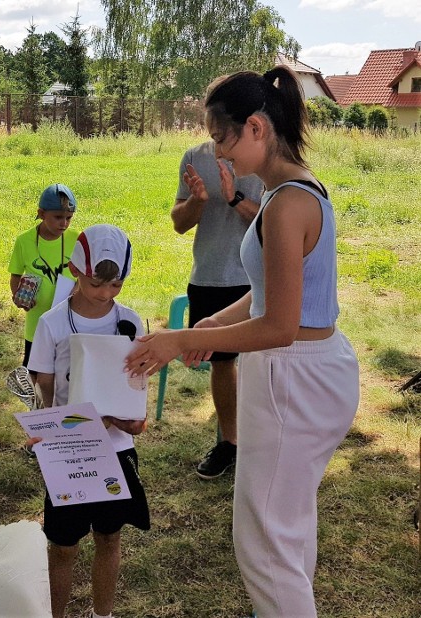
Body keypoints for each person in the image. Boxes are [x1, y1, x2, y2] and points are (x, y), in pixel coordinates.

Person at [125, 66, 359, 617]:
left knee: (264, 541)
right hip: (300, 369)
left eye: (221, 137)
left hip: (292, 373)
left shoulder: (286, 205)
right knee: (287, 521)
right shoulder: (288, 192)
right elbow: (264, 295)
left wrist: (178, 340)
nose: (218, 153)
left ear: (255, 128)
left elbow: (279, 325)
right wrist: (206, 328)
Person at [28, 224, 150, 618]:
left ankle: (104, 614)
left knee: (109, 537)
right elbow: (43, 382)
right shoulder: (52, 323)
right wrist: (46, 424)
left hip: (117, 449)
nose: (106, 294)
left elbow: (137, 385)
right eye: (98, 283)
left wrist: (133, 420)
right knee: (63, 545)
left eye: (116, 285)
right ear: (76, 270)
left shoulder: (131, 322)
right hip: (70, 450)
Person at [172, 141, 263, 479]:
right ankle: (230, 442)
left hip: (255, 280)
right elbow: (180, 224)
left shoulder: (264, 158)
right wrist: (196, 200)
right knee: (222, 364)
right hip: (208, 277)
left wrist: (235, 198)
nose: (218, 138)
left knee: (262, 364)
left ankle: (262, 444)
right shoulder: (194, 157)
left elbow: (274, 221)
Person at [8, 184, 79, 369]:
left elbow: (84, 277)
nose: (64, 223)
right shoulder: (24, 241)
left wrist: (76, 295)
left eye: (68, 218)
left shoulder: (76, 239)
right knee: (34, 372)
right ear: (41, 213)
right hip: (37, 323)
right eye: (58, 217)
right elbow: (15, 275)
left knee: (64, 371)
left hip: (68, 321)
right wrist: (18, 296)